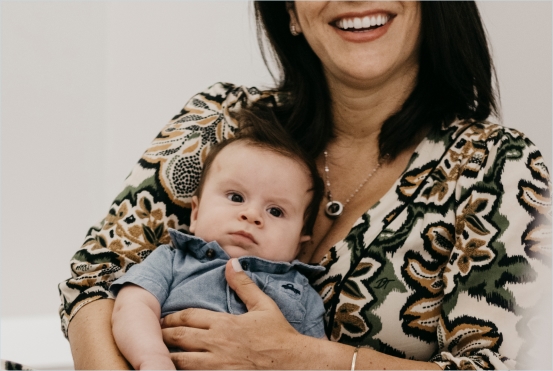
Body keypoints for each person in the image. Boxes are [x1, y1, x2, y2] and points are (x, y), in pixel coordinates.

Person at [59, 1, 551, 370]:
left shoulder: (500, 168)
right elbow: (93, 282)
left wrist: (300, 357)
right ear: (290, 11)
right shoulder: (221, 120)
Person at [109, 111, 327, 370]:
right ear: (196, 213)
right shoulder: (172, 261)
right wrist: (153, 358)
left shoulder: (303, 294)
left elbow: (316, 359)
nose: (252, 214)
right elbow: (132, 307)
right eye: (236, 197)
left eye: (276, 211)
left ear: (299, 244)